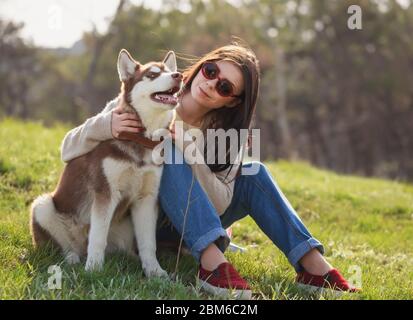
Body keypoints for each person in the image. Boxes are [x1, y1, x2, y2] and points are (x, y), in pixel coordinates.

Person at [61, 43, 359, 299]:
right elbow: (67, 149)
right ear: (203, 65)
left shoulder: (230, 136)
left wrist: (191, 151)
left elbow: (220, 204)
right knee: (169, 151)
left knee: (255, 171)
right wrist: (106, 125)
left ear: (232, 100)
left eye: (225, 87)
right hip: (144, 221)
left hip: (198, 220)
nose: (212, 83)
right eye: (212, 71)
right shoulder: (147, 98)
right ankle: (211, 265)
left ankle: (314, 269)